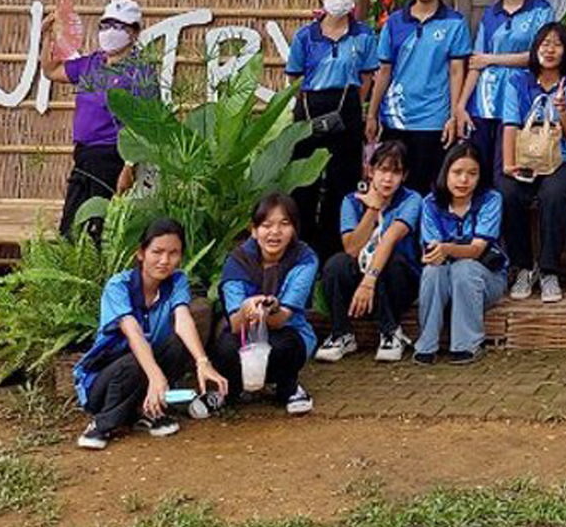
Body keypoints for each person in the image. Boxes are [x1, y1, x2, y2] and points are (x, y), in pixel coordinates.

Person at [72, 218, 228, 450]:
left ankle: (148, 411)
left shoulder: (177, 281)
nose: (165, 261)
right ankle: (102, 423)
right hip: (105, 381)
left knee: (179, 343)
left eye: (173, 253)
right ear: (141, 253)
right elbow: (133, 333)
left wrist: (202, 362)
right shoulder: (119, 286)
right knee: (135, 359)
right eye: (157, 252)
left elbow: (183, 319)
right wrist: (156, 375)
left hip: (144, 372)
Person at [42, 0, 155, 238]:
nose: (109, 32)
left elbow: (146, 123)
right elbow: (51, 71)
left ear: (134, 33)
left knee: (99, 228)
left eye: (119, 26)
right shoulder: (91, 63)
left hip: (112, 156)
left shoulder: (141, 72)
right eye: (105, 25)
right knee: (71, 225)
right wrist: (46, 37)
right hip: (84, 155)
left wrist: (129, 167)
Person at [286, 0, 379, 262]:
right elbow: (295, 77)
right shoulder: (305, 36)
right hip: (310, 108)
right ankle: (301, 251)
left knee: (342, 182)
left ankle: (332, 252)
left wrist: (356, 107)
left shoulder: (363, 35)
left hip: (347, 108)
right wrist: (306, 107)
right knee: (304, 184)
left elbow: (366, 76)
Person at [498, 21, 566, 304]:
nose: (550, 50)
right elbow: (510, 126)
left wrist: (563, 112)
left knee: (553, 193)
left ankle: (549, 270)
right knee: (507, 191)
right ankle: (524, 266)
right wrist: (508, 164)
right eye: (544, 43)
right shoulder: (518, 83)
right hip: (527, 159)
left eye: (558, 44)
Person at [366, 0, 472, 193]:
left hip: (434, 119)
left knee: (426, 187)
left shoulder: (454, 23)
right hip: (396, 118)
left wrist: (454, 115)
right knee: (391, 185)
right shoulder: (394, 23)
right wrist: (372, 114)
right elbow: (384, 71)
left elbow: (457, 72)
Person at [208, 193, 320, 415]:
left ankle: (288, 387)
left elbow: (279, 321)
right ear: (254, 230)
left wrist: (271, 308)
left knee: (284, 346)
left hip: (288, 332)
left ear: (294, 229)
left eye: (284, 224)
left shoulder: (305, 258)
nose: (275, 232)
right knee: (224, 348)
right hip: (244, 334)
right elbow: (236, 323)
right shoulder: (238, 260)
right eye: (266, 225)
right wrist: (246, 307)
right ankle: (231, 389)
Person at [316, 140, 422, 363]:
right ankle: (341, 334)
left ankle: (391, 332)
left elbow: (391, 238)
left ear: (404, 176)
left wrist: (369, 282)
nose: (388, 178)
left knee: (392, 261)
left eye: (396, 172)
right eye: (383, 170)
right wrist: (372, 208)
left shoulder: (412, 200)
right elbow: (352, 248)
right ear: (370, 170)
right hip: (362, 276)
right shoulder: (352, 201)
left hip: (398, 279)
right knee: (336, 264)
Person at [462, 0, 556, 178]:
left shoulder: (540, 10)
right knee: (478, 165)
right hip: (484, 100)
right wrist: (461, 105)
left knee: (507, 169)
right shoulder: (490, 13)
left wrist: (492, 59)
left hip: (519, 95)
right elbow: (476, 62)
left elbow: (538, 55)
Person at [413, 141, 505, 364]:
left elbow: (476, 250)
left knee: (465, 268)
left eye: (472, 173)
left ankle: (468, 343)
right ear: (446, 172)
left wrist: (446, 249)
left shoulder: (491, 200)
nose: (464, 180)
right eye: (457, 172)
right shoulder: (431, 204)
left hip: (486, 278)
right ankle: (427, 343)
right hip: (444, 276)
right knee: (433, 271)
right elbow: (432, 250)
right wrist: (438, 253)